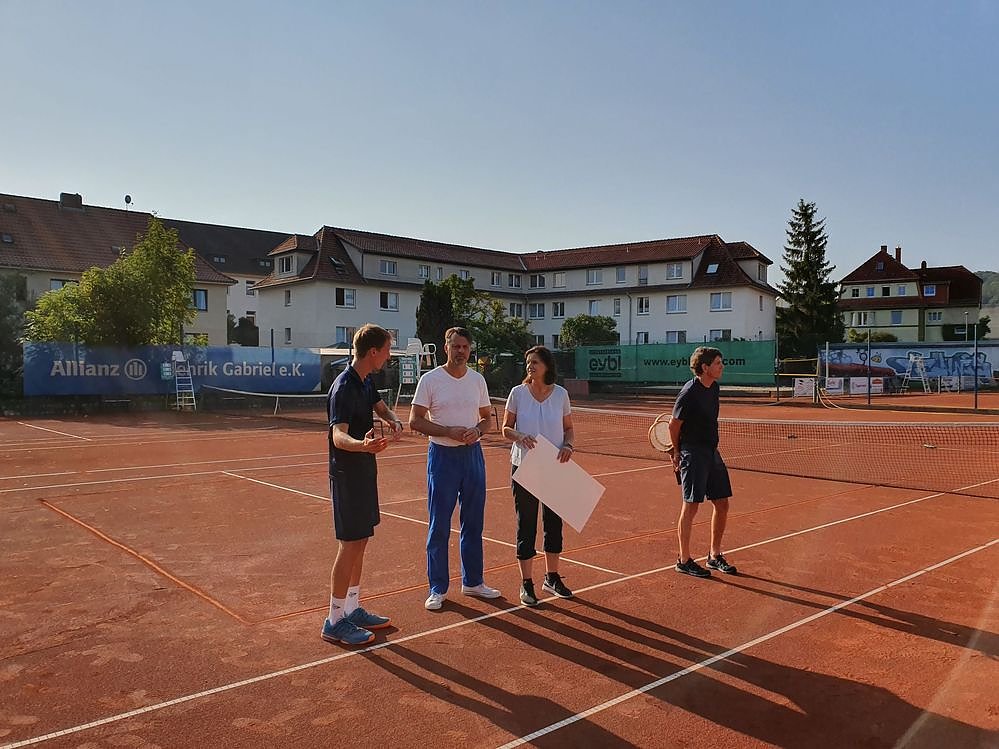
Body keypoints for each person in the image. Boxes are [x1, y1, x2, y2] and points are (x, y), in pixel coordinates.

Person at [321, 324, 404, 645]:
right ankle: (334, 620)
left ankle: (352, 608)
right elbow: (338, 436)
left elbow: (379, 407)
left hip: (365, 471)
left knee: (362, 540)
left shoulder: (366, 380)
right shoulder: (343, 387)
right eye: (387, 350)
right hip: (347, 475)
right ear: (373, 352)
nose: (389, 356)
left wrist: (393, 419)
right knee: (350, 544)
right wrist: (363, 445)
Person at [409, 326, 499, 610]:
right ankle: (437, 588)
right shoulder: (430, 380)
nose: (460, 351)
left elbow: (487, 419)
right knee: (439, 524)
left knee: (473, 522)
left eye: (465, 347)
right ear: (445, 347)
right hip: (442, 457)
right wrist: (448, 431)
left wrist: (478, 431)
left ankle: (473, 582)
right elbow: (415, 420)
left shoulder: (477, 380)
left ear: (470, 350)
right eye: (456, 346)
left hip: (473, 456)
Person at [501, 345, 575, 607]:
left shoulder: (561, 394)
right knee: (527, 524)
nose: (530, 366)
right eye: (528, 362)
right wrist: (519, 436)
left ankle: (552, 577)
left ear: (546, 366)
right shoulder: (517, 393)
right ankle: (526, 583)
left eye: (535, 362)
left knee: (554, 524)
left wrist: (568, 446)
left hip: (553, 466)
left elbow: (568, 429)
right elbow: (505, 428)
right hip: (524, 465)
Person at [667, 346, 738, 578]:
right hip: (692, 453)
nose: (722, 366)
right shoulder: (689, 393)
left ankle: (714, 556)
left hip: (711, 452)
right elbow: (673, 425)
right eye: (717, 363)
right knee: (691, 505)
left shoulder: (714, 387)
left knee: (722, 503)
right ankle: (684, 560)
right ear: (705, 367)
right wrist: (677, 452)